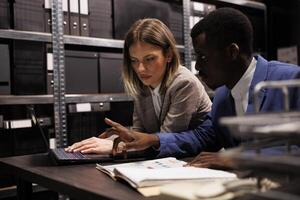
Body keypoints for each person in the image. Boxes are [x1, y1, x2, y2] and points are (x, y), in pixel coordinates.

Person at [99, 8, 300, 168]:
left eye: (203, 57)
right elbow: (202, 136)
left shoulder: (291, 80)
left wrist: (237, 157)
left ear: (232, 52)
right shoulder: (222, 96)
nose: (197, 67)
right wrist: (152, 140)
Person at [66, 18, 211, 154]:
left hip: (199, 160)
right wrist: (111, 141)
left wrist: (117, 146)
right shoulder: (143, 84)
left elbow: (164, 138)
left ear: (169, 55)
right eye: (134, 60)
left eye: (150, 59)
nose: (140, 69)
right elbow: (138, 133)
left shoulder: (184, 83)